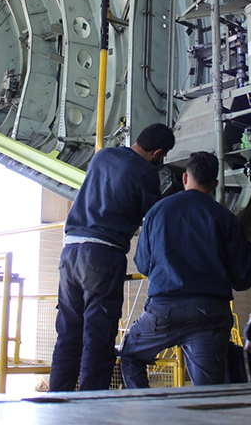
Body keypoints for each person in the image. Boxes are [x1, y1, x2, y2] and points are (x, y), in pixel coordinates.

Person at [49, 123, 176, 392]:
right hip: (102, 256)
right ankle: (92, 407)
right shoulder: (145, 172)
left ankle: (56, 400)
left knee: (68, 334)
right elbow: (153, 217)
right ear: (158, 153)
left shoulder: (102, 155)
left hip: (70, 252)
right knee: (98, 337)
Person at [118, 151, 251, 388]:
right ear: (215, 184)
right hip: (210, 314)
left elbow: (142, 265)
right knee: (207, 391)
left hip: (164, 311)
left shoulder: (157, 212)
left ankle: (145, 409)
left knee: (130, 355)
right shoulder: (226, 219)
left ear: (185, 178)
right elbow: (243, 279)